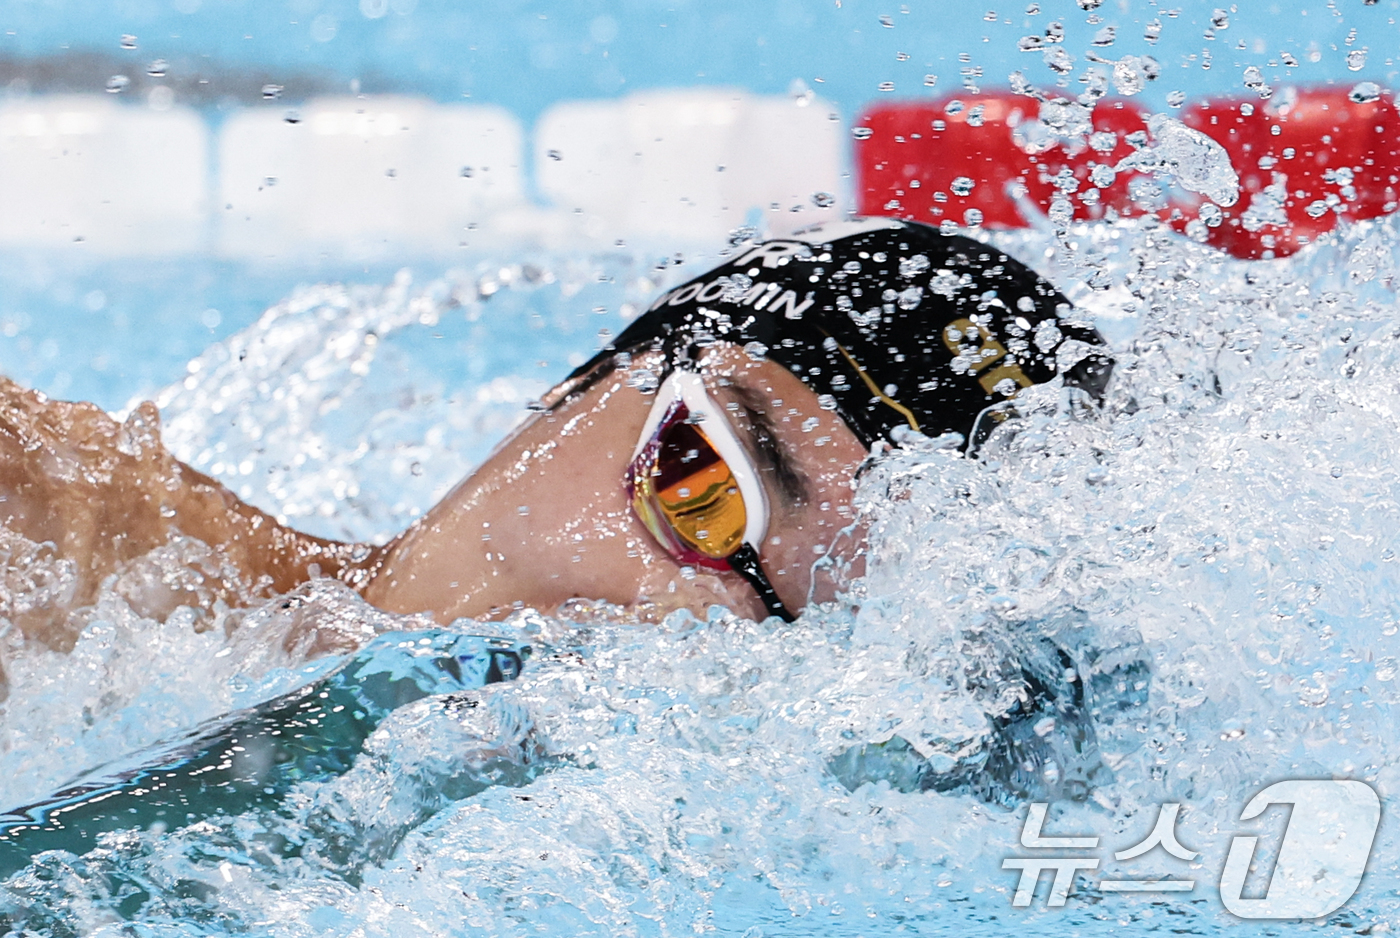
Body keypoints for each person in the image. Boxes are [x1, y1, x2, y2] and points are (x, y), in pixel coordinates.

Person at [0, 218, 1112, 652]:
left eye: (781, 619)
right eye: (696, 479)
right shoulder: (55, 540)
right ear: (584, 383)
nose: (681, 606)